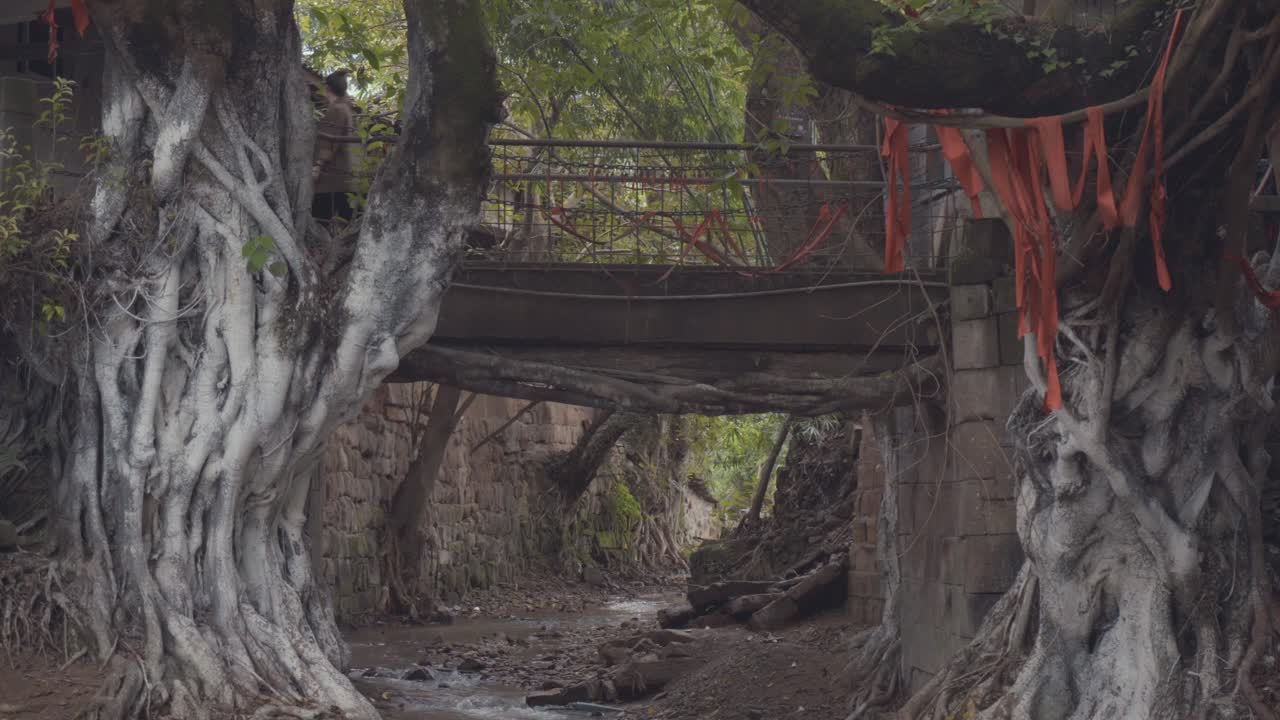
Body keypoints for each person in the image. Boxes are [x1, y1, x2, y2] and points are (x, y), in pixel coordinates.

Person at [312, 70, 356, 226]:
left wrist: (317, 166)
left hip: (331, 180)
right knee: (347, 222)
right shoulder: (346, 109)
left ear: (327, 88)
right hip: (344, 178)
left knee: (319, 221)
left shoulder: (336, 110)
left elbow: (328, 144)